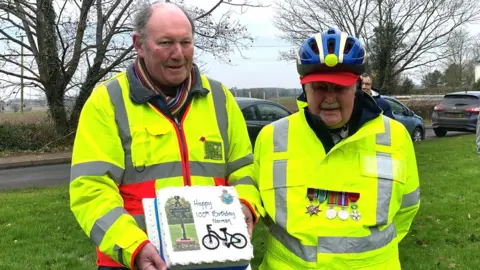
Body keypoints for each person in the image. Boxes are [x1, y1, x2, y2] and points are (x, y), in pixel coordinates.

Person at [69, 3, 263, 270]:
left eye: (186, 42)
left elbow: (244, 169)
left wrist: (245, 204)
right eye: (166, 43)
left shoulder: (220, 99)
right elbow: (90, 190)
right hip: (136, 262)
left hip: (218, 257)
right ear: (139, 44)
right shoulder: (107, 102)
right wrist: (132, 247)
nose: (178, 54)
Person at [253, 29, 420, 269]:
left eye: (339, 88)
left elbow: (408, 207)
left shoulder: (394, 136)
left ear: (357, 87)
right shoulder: (272, 137)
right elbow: (258, 205)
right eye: (320, 87)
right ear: (304, 88)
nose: (329, 98)